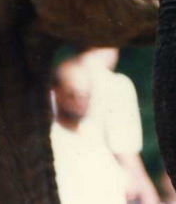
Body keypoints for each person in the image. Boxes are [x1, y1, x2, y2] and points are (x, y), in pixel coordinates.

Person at [74, 48, 160, 204]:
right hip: (109, 189)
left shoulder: (60, 80)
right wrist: (149, 193)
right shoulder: (116, 84)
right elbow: (124, 149)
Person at [51, 61, 129, 204]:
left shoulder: (94, 134)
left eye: (85, 95)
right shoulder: (52, 139)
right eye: (72, 94)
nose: (80, 102)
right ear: (57, 92)